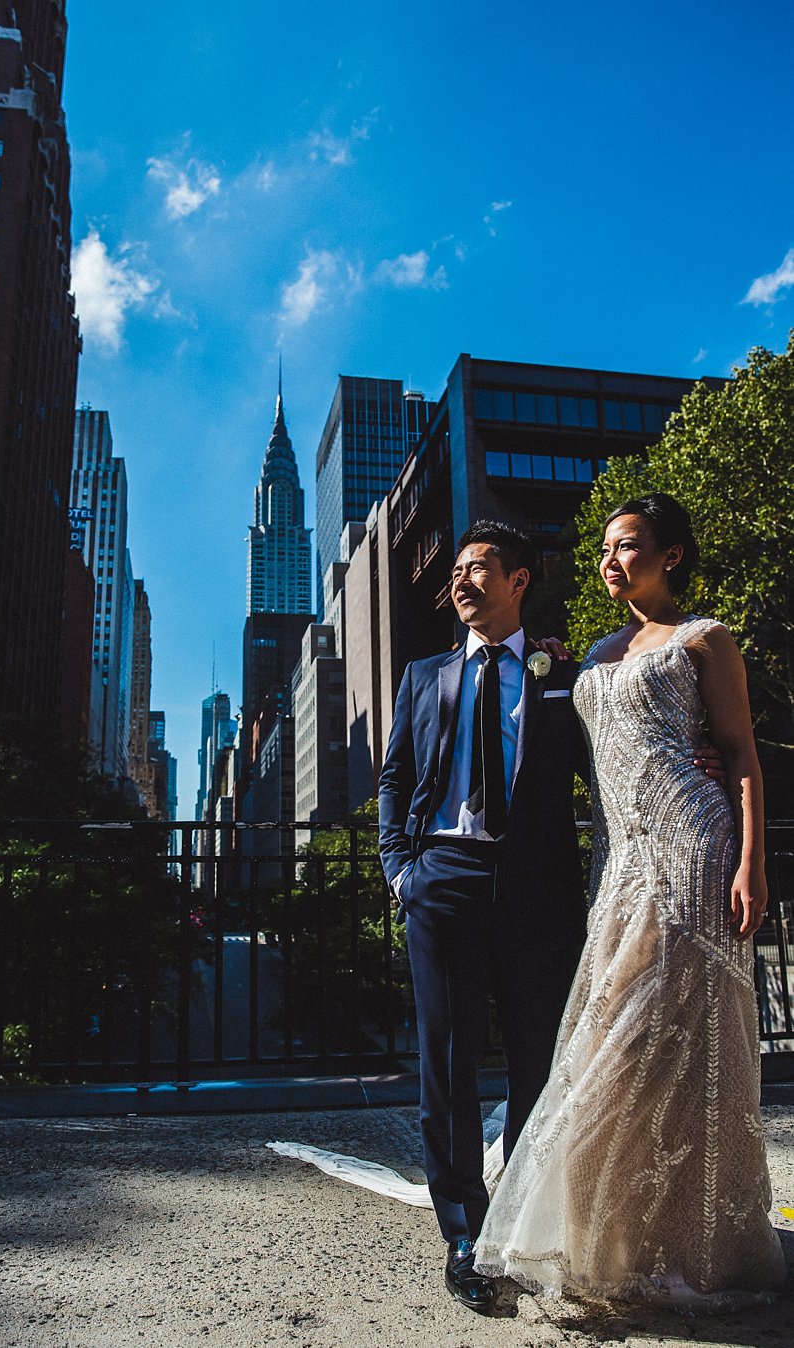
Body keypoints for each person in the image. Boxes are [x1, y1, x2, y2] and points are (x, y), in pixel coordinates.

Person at [377, 518, 724, 1316]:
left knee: (544, 1059)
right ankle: (463, 1235)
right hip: (444, 878)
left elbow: (625, 747)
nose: (460, 582)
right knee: (449, 1064)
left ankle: (527, 1220)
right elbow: (395, 776)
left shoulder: (563, 673)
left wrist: (697, 760)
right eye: (456, 571)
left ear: (519, 579)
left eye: (476, 568)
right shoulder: (423, 675)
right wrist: (402, 869)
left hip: (539, 886)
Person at [473, 493, 786, 1309]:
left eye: (629, 546)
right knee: (615, 1042)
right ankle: (620, 1235)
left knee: (667, 1042)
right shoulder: (591, 653)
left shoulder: (704, 639)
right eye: (606, 550)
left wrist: (752, 863)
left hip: (695, 847)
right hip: (617, 863)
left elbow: (742, 752)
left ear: (671, 555)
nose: (612, 560)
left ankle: (686, 1244)